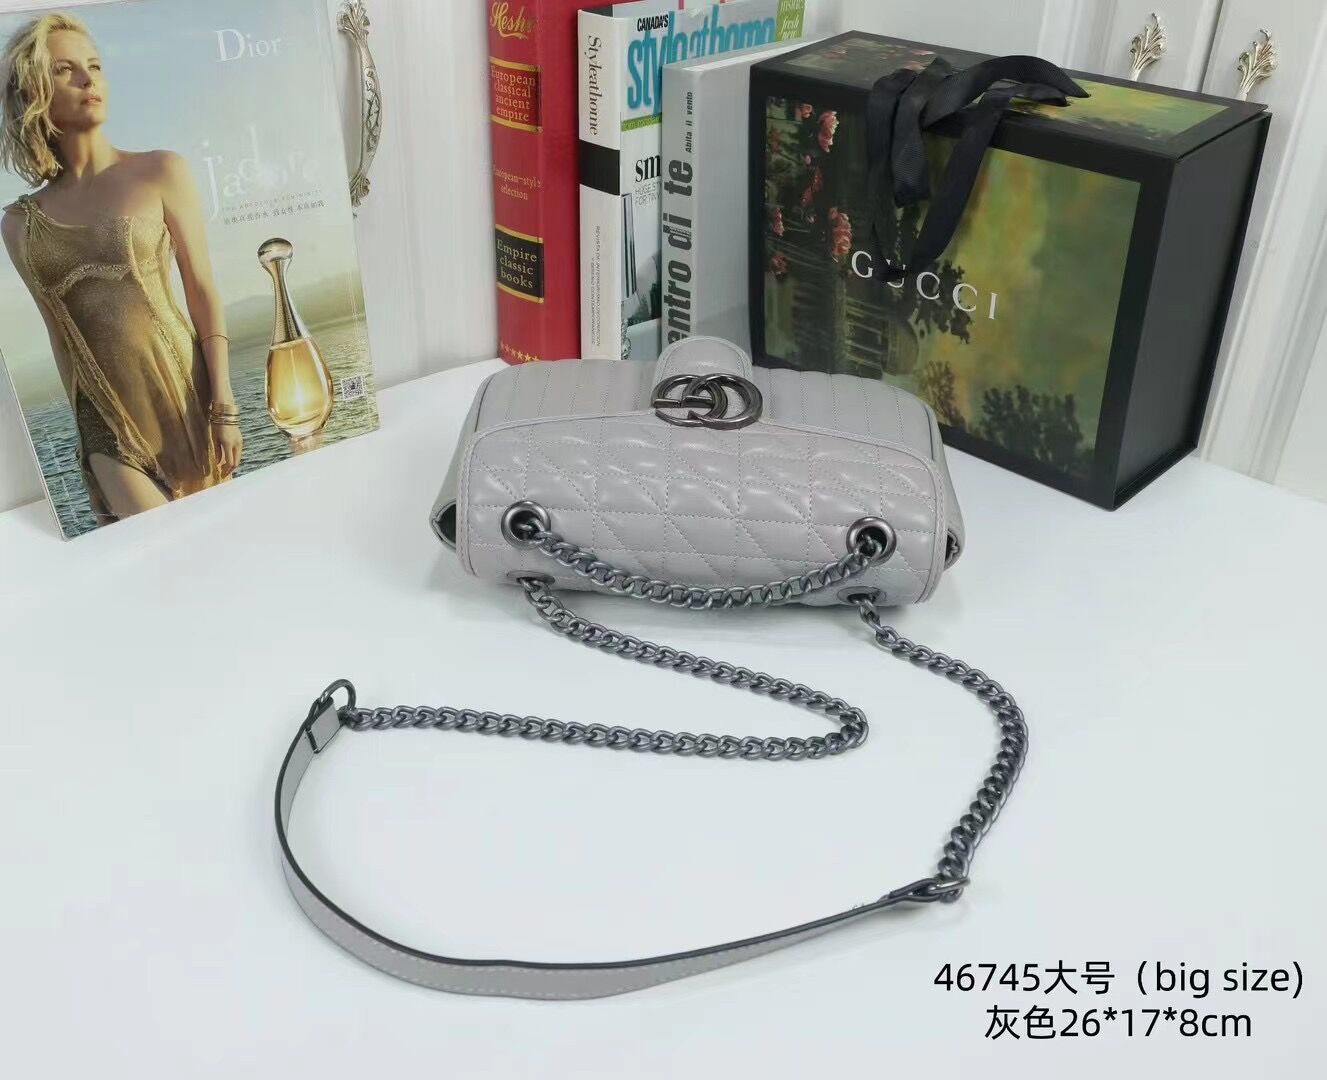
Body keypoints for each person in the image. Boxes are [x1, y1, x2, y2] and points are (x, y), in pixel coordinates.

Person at [0, 11, 240, 524]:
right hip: (106, 426)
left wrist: (223, 405)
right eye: (65, 69)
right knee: (161, 547)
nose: (88, 80)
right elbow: (60, 338)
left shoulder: (160, 171)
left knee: (211, 545)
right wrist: (88, 456)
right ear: (33, 91)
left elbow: (202, 291)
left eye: (94, 66)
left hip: (185, 396)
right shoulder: (20, 224)